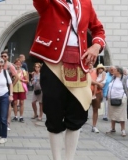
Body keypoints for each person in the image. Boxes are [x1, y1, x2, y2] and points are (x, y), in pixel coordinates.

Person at [30, 0, 105, 159]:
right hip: (53, 65)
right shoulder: (49, 2)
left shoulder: (86, 3)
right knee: (54, 115)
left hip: (80, 65)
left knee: (77, 114)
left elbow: (98, 29)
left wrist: (96, 46)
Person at [106, 66, 128, 137]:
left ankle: (123, 130)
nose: (112, 71)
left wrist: (124, 95)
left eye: (114, 70)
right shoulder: (113, 78)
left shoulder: (125, 78)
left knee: (122, 115)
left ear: (118, 71)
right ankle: (112, 128)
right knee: (112, 114)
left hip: (121, 99)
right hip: (111, 98)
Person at [0, 50, 18, 130]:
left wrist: (12, 86)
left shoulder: (10, 66)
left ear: (7, 57)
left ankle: (7, 123)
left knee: (8, 105)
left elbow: (17, 77)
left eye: (5, 56)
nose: (3, 58)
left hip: (7, 86)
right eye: (2, 56)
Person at [12, 58, 28, 123]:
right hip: (14, 88)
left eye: (19, 64)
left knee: (21, 102)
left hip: (21, 88)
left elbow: (27, 80)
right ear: (14, 64)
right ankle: (15, 116)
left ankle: (21, 117)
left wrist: (23, 80)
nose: (18, 65)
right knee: (15, 103)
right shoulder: (12, 71)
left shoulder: (23, 71)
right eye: (16, 63)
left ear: (21, 65)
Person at [89, 62, 103, 133]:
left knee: (95, 109)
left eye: (91, 62)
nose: (90, 64)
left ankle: (94, 126)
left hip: (97, 92)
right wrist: (97, 83)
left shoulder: (96, 71)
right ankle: (80, 125)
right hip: (86, 92)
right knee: (83, 109)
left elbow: (103, 78)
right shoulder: (85, 71)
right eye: (89, 62)